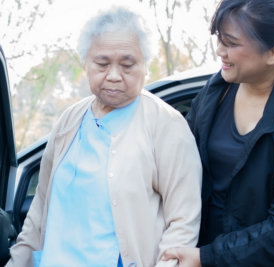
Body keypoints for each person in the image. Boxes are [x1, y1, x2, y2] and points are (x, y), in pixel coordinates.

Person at [6, 7, 202, 267]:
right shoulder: (69, 120)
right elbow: (40, 209)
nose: (113, 75)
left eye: (127, 64)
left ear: (146, 65)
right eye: (102, 63)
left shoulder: (166, 125)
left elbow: (183, 222)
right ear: (85, 63)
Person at [163, 0, 274, 266]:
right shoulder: (216, 93)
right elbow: (178, 164)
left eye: (231, 43)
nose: (220, 51)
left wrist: (208, 257)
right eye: (219, 40)